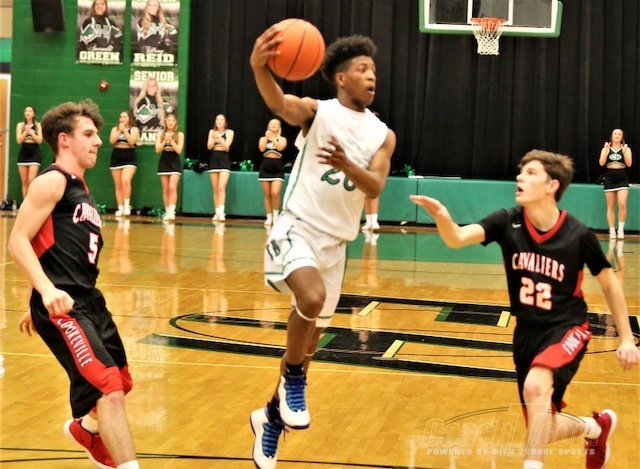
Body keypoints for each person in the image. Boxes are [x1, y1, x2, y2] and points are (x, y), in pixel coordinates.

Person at [411, 150, 639, 469]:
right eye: (521, 171)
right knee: (543, 427)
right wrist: (443, 218)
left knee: (535, 387)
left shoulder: (577, 234)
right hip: (526, 335)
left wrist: (626, 338)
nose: (520, 177)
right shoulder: (507, 221)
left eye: (531, 173)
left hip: (568, 328)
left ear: (552, 185)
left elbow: (609, 283)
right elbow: (458, 238)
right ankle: (596, 428)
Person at [249, 29, 396, 469]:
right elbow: (279, 103)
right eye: (362, 69)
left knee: (310, 341)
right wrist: (259, 66)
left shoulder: (382, 135)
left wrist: (347, 163)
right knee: (310, 300)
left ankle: (270, 416)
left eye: (374, 70)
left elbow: (376, 186)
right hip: (297, 227)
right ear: (340, 78)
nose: (371, 76)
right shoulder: (318, 113)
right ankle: (292, 379)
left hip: (336, 245)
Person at [8, 100, 139, 469]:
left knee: (123, 381)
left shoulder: (81, 190)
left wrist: (34, 296)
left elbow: (46, 247)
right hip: (65, 304)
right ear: (64, 139)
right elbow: (18, 240)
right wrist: (45, 292)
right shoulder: (51, 181)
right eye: (89, 134)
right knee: (108, 388)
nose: (98, 141)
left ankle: (87, 429)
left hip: (88, 300)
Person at [598, 128, 632, 240]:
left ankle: (621, 230)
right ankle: (612, 230)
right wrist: (606, 150)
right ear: (611, 136)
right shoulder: (606, 148)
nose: (617, 136)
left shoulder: (626, 148)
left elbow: (629, 164)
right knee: (611, 206)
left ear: (622, 137)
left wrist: (625, 151)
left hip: (622, 177)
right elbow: (601, 163)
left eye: (619, 134)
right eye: (615, 134)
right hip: (610, 177)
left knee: (622, 204)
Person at [109, 111, 140, 217]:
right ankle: (120, 207)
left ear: (129, 118)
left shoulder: (134, 129)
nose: (122, 119)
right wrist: (119, 131)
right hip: (116, 156)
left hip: (129, 157)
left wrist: (125, 131)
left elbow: (132, 142)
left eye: (125, 117)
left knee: (125, 181)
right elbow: (112, 141)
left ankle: (127, 205)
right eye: (121, 117)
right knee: (118, 185)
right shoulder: (115, 129)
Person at [155, 113, 184, 221]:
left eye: (173, 120)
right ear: (165, 122)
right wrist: (165, 140)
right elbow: (158, 149)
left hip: (174, 161)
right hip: (164, 161)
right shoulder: (161, 134)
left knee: (172, 188)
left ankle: (172, 212)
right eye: (169, 120)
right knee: (166, 188)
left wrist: (171, 140)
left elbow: (179, 150)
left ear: (175, 122)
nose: (171, 122)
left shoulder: (179, 134)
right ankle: (167, 211)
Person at [258, 118, 287, 226]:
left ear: (279, 127)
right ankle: (269, 217)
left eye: (276, 124)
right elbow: (261, 149)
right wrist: (267, 137)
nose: (273, 125)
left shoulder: (282, 139)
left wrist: (272, 138)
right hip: (265, 166)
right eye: (271, 124)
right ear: (268, 126)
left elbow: (280, 147)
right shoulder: (263, 138)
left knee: (275, 192)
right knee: (267, 194)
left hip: (277, 166)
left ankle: (276, 216)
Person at [207, 114, 234, 221]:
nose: (219, 121)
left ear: (225, 122)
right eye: (217, 119)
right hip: (214, 159)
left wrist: (219, 137)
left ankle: (222, 212)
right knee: (215, 189)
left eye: (221, 119)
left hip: (224, 160)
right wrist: (214, 137)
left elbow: (226, 147)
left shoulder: (230, 132)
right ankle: (217, 212)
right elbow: (209, 146)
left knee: (221, 187)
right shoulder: (211, 132)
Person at [15, 105, 43, 198]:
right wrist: (25, 132)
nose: (27, 113)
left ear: (34, 114)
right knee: (24, 182)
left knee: (31, 181)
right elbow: (19, 140)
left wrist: (31, 133)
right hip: (23, 154)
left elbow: (39, 140)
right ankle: (25, 203)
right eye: (26, 111)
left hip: (34, 154)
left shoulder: (38, 125)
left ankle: (31, 202)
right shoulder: (20, 125)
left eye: (30, 111)